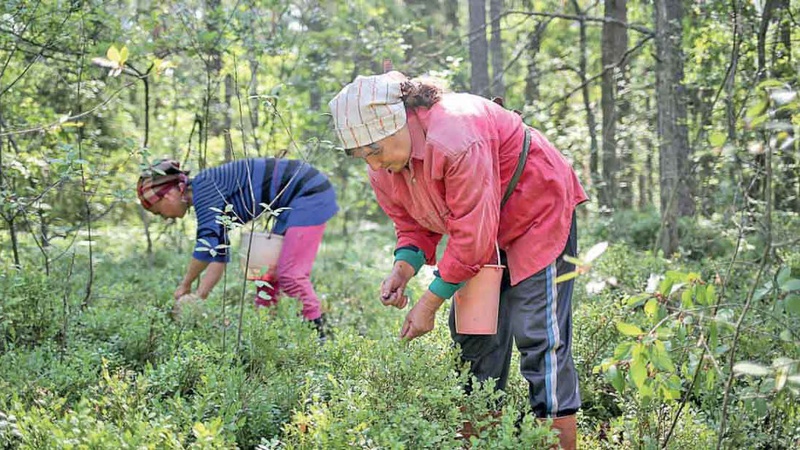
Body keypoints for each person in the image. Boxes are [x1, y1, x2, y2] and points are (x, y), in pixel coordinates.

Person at [328, 72, 587, 448]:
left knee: (539, 335)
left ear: (396, 122)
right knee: (475, 335)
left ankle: (556, 443)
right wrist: (403, 268)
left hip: (536, 211)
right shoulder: (384, 167)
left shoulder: (454, 136)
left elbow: (472, 238)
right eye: (362, 155)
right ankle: (480, 440)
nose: (373, 163)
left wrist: (429, 302)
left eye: (375, 149)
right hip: (480, 227)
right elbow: (411, 222)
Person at [136, 157, 338, 337]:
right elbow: (218, 254)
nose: (163, 217)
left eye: (158, 212)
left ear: (169, 196)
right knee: (266, 274)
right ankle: (264, 331)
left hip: (309, 192)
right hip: (293, 201)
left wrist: (186, 284)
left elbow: (205, 250)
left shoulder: (204, 189)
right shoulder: (205, 194)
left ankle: (319, 332)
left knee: (290, 274)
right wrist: (199, 296)